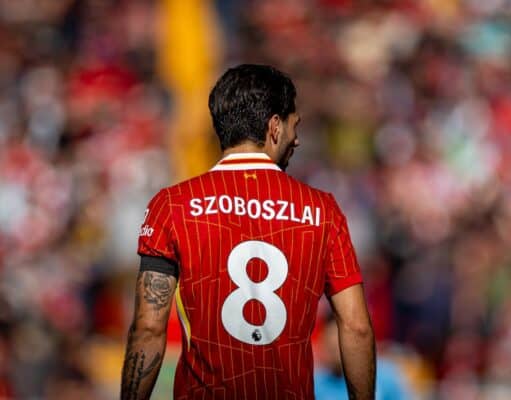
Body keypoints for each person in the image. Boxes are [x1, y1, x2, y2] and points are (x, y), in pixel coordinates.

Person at [120, 64, 375, 400]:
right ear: (274, 127)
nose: (296, 138)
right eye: (293, 125)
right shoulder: (322, 210)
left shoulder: (172, 205)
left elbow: (149, 327)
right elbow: (356, 327)